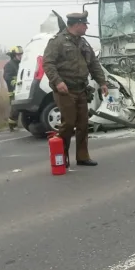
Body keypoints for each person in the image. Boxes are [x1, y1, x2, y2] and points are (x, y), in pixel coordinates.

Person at [42, 11, 108, 168]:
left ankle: (83, 156)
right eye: (84, 24)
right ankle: (62, 157)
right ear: (77, 24)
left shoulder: (83, 43)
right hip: (65, 90)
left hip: (81, 89)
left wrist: (102, 82)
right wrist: (58, 82)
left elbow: (94, 64)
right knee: (68, 123)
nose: (86, 27)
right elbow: (48, 63)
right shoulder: (57, 42)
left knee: (83, 124)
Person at [3, 45, 24, 132]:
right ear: (13, 55)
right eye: (18, 54)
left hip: (22, 89)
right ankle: (12, 125)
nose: (20, 56)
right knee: (15, 108)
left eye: (21, 54)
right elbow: (7, 77)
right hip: (13, 91)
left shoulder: (22, 64)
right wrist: (15, 83)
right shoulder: (9, 65)